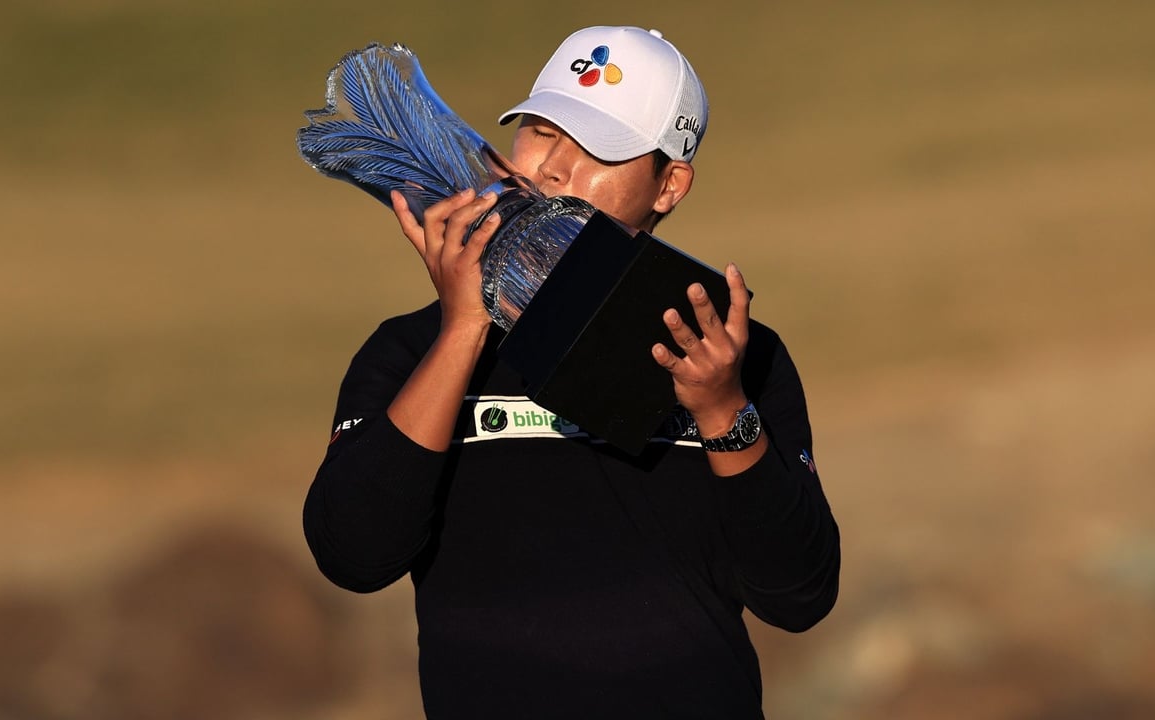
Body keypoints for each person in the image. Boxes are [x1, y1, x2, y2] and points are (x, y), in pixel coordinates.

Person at [302, 25, 840, 719]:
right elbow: (354, 554)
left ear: (669, 185)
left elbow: (798, 595)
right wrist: (464, 328)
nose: (552, 168)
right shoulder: (410, 352)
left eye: (596, 149)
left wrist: (720, 412)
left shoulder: (736, 356)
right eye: (540, 132)